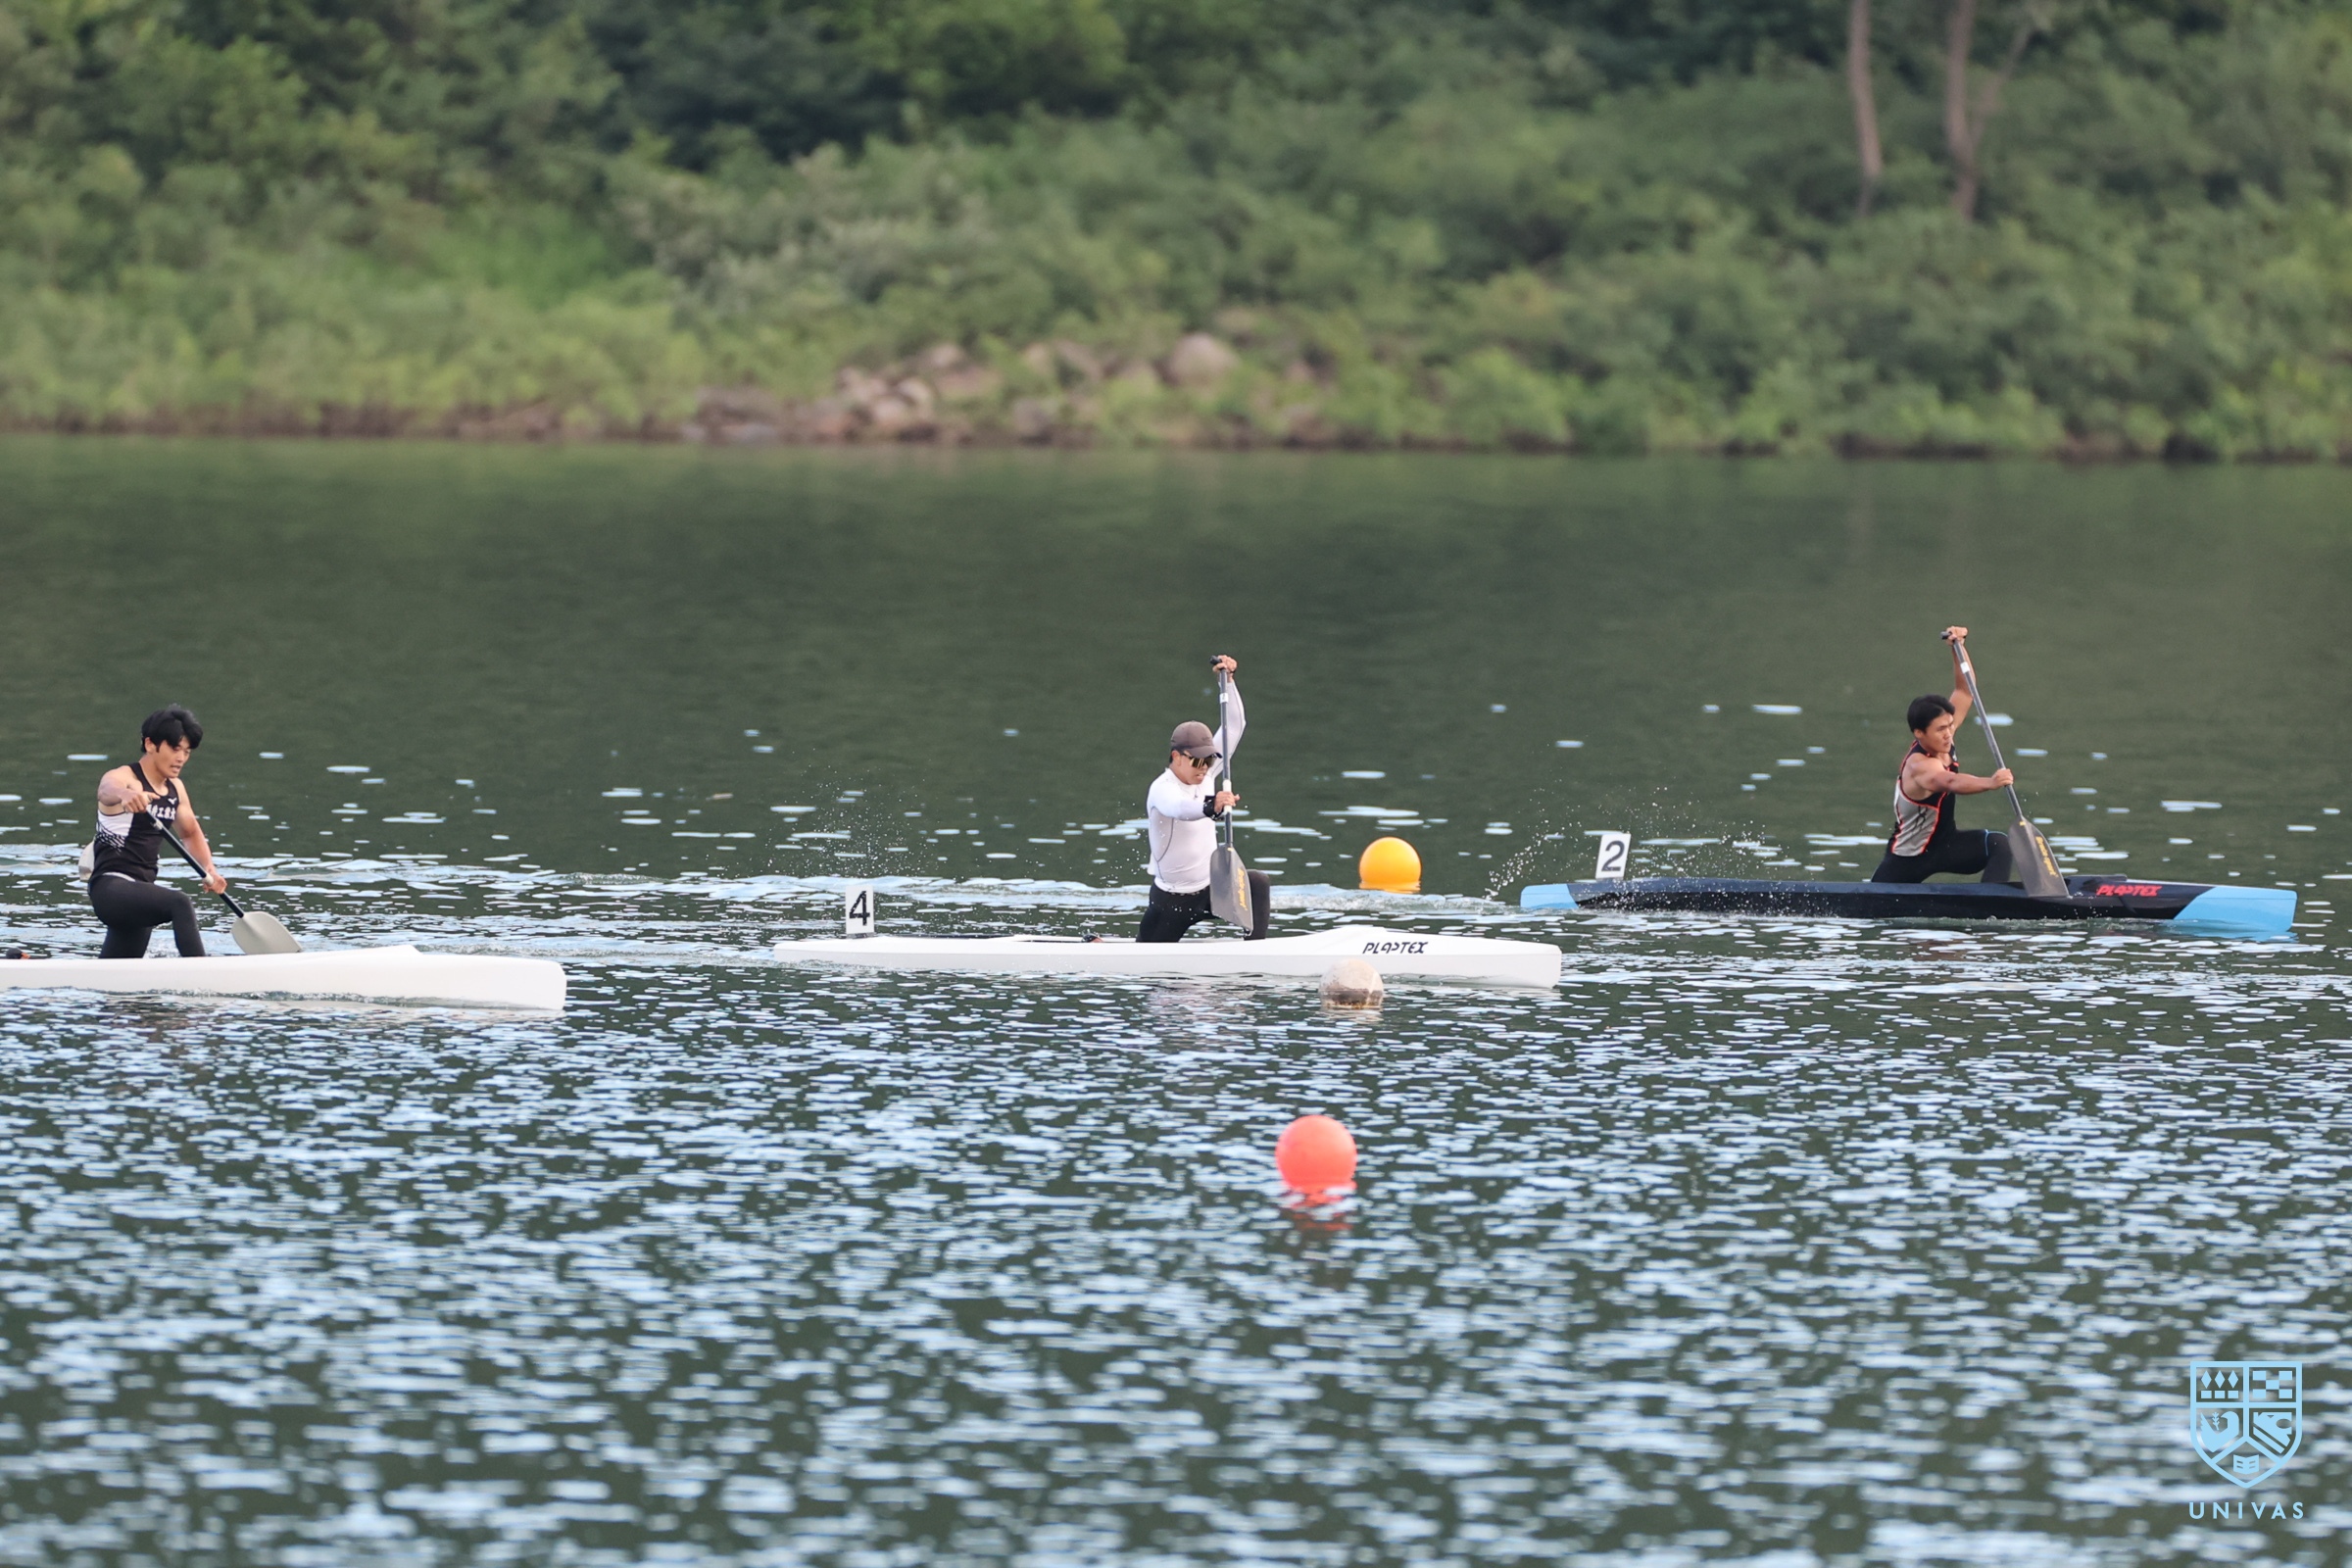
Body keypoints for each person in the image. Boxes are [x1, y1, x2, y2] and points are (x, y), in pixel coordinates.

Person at [1868, 627, 2018, 884]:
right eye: (1940, 729)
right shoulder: (1919, 766)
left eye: (1950, 726)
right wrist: (1990, 782)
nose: (1949, 734)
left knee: (2000, 845)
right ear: (1919, 733)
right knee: (1878, 894)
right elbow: (1949, 781)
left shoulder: (1944, 737)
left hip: (1947, 844)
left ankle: (1990, 903)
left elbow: (1965, 692)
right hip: (1908, 859)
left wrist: (1957, 649)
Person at [1141, 655, 1271, 942]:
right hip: (1171, 901)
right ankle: (1098, 944)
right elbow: (1179, 808)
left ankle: (1256, 949)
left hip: (1212, 891)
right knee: (1144, 959)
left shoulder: (1207, 772)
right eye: (1197, 761)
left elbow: (1234, 726)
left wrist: (1229, 682)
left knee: (1257, 882)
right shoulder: (1162, 788)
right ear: (1177, 757)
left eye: (1209, 759)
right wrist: (1211, 805)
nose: (1204, 767)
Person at [88, 706, 227, 957]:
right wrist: (125, 794)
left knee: (120, 972)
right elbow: (105, 790)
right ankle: (201, 972)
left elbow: (190, 833)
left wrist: (209, 869)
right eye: (175, 749)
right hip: (110, 888)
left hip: (140, 893)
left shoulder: (176, 789)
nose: (181, 758)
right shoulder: (125, 777)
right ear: (150, 744)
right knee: (179, 902)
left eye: (187, 751)